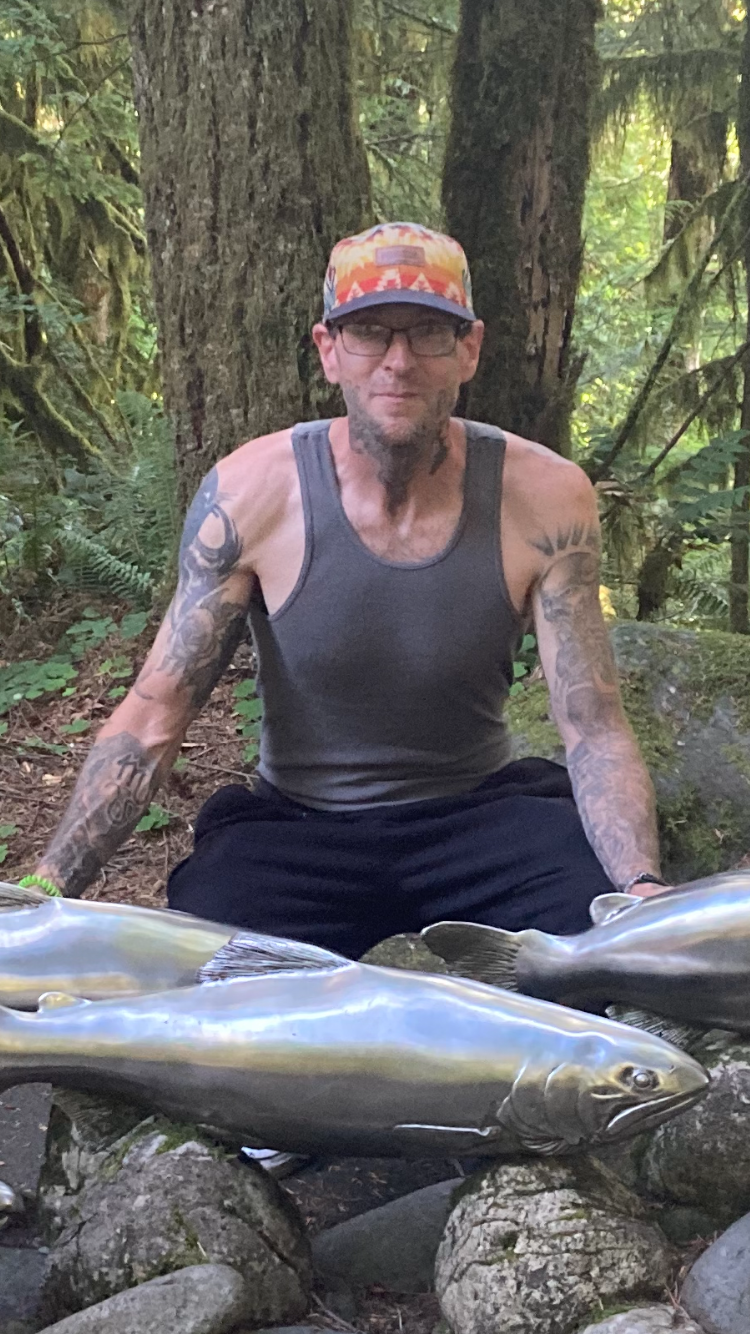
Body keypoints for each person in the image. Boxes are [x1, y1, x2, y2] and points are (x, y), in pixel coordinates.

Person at [31, 222, 670, 955]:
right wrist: (46, 889)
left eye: (428, 332)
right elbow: (156, 713)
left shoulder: (546, 496)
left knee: (598, 947)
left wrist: (639, 889)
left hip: (479, 822)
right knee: (207, 952)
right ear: (329, 350)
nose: (398, 361)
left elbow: (593, 724)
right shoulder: (250, 493)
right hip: (302, 830)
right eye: (369, 332)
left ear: (469, 349)